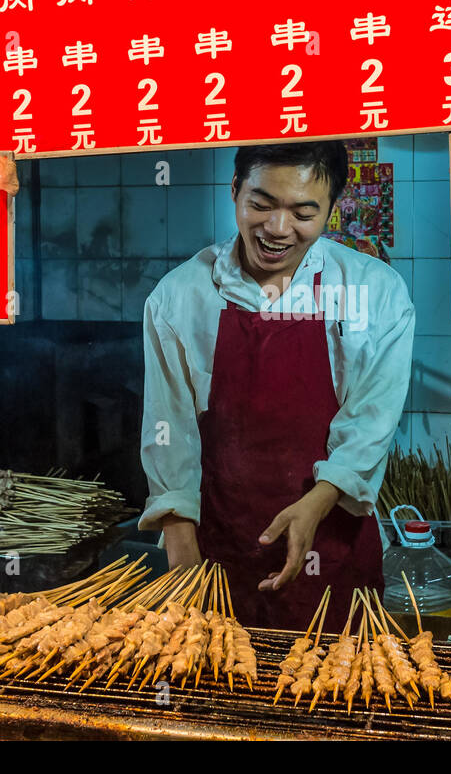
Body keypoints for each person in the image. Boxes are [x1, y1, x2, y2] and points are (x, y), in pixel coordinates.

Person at [139, 141, 414, 629]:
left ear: (332, 211)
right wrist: (182, 565)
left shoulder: (376, 293)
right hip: (219, 559)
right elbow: (169, 434)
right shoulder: (180, 296)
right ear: (234, 192)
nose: (278, 229)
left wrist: (316, 503)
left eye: (303, 212)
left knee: (338, 691)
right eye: (261, 204)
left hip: (333, 548)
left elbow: (371, 423)